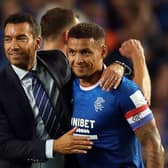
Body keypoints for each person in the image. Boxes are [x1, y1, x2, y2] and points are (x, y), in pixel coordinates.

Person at [0, 13, 94, 168]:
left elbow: (93, 73)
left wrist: (119, 67)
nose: (13, 46)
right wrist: (54, 146)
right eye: (8, 39)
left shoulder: (57, 60)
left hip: (72, 162)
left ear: (37, 42)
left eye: (21, 38)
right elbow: (4, 146)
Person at [66, 22, 164, 168]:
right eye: (72, 52)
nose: (78, 60)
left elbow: (154, 148)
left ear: (103, 52)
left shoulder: (124, 90)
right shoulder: (67, 85)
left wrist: (130, 61)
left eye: (86, 52)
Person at [39, 7, 151, 103]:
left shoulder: (28, 69)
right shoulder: (78, 72)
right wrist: (138, 57)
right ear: (68, 36)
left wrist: (119, 66)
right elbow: (141, 102)